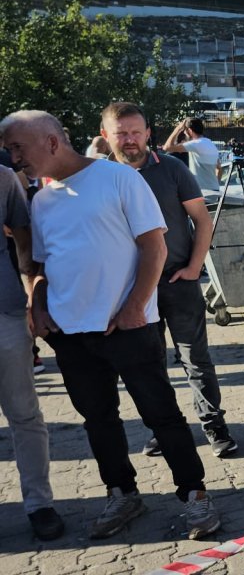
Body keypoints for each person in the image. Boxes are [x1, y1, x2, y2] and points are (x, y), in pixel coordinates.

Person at [4, 109, 220, 540]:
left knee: (162, 415)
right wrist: (38, 305)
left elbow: (153, 246)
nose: (13, 159)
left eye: (17, 148)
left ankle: (195, 497)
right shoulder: (43, 198)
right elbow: (42, 265)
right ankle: (122, 493)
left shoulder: (118, 179)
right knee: (97, 419)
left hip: (129, 325)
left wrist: (134, 306)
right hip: (70, 334)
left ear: (50, 142)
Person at [101, 102, 238, 458]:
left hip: (177, 282)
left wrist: (194, 268)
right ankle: (166, 429)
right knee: (149, 364)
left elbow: (202, 221)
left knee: (196, 360)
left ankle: (214, 426)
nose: (130, 140)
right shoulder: (99, 178)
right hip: (130, 292)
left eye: (136, 132)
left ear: (148, 133)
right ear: (106, 136)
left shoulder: (173, 168)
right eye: (121, 133)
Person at [0, 161, 62, 541]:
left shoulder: (4, 178)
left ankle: (39, 504)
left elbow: (24, 239)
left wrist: (31, 299)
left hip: (5, 312)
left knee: (24, 414)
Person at [161, 116, 221, 190]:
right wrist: (216, 184)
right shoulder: (211, 144)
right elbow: (219, 168)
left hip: (201, 192)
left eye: (185, 131)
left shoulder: (195, 144)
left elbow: (166, 147)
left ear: (190, 130)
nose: (184, 133)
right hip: (215, 190)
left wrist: (177, 129)